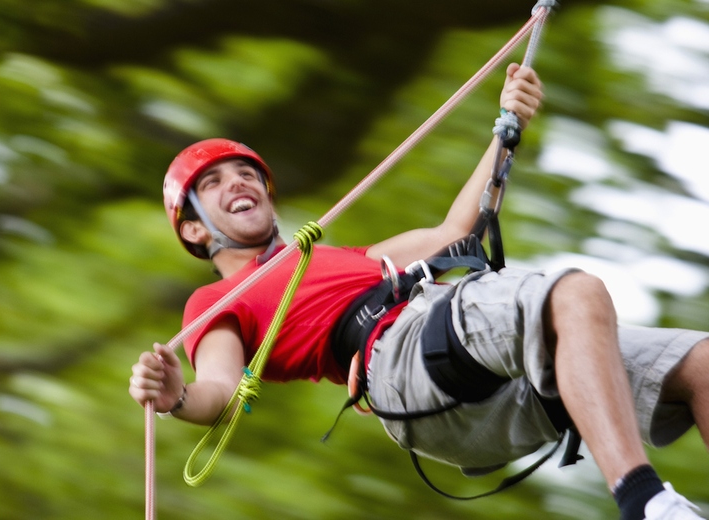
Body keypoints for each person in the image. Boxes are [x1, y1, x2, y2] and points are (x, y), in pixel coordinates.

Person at [129, 63, 709, 520]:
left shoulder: (351, 261)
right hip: (402, 363)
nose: (238, 181)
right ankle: (645, 501)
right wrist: (178, 397)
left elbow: (456, 232)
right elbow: (222, 394)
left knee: (701, 364)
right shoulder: (217, 301)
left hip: (463, 372)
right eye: (214, 182)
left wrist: (507, 127)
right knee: (575, 294)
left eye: (247, 173)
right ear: (194, 228)